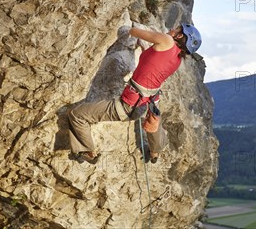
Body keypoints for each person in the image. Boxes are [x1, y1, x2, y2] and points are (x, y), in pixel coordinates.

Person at [68, 23, 202, 164]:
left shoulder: (166, 40)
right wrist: (145, 49)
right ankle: (155, 152)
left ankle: (87, 151)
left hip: (128, 105)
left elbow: (134, 31)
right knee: (155, 120)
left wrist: (129, 29)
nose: (171, 29)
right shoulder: (177, 59)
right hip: (147, 105)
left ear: (180, 35)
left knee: (77, 115)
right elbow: (153, 63)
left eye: (176, 29)